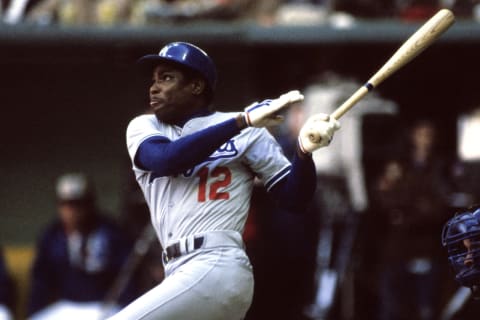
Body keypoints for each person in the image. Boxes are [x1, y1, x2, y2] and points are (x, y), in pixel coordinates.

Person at [108, 41, 340, 320]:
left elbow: (295, 199)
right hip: (178, 270)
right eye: (154, 79)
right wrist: (242, 121)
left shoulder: (250, 130)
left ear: (196, 86)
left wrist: (303, 152)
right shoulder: (145, 126)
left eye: (166, 78)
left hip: (217, 263)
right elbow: (166, 159)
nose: (154, 87)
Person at [370, 119, 453, 320]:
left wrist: (408, 211)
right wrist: (410, 204)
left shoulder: (440, 167)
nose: (425, 140)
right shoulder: (399, 165)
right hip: (398, 248)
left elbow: (439, 205)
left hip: (427, 247)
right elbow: (384, 198)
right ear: (413, 136)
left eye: (429, 136)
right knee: (392, 307)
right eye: (421, 134)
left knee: (427, 307)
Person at [27, 173, 136, 320]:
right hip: (66, 306)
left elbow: (127, 276)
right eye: (66, 204)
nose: (73, 211)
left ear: (90, 204)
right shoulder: (52, 236)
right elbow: (41, 281)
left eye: (78, 204)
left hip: (104, 305)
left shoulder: (111, 232)